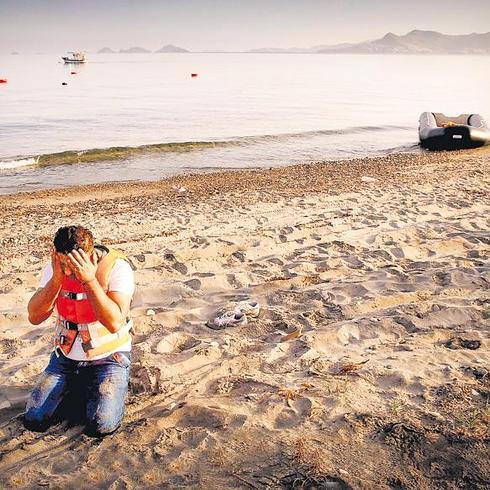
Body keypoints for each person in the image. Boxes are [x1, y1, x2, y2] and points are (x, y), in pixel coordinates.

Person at [24, 225, 135, 437]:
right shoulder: (55, 268)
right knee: (34, 419)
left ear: (90, 255)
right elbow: (34, 316)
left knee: (102, 425)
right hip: (66, 357)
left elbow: (114, 323)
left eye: (73, 265)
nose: (68, 272)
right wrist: (56, 279)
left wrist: (89, 280)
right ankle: (78, 386)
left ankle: (108, 387)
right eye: (63, 263)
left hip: (109, 357)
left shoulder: (117, 267)